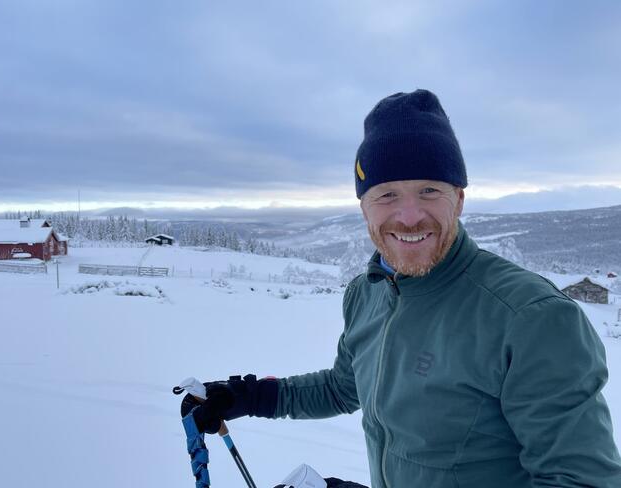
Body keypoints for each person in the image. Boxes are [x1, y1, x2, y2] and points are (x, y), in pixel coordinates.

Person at [185, 90, 621, 487]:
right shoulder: (367, 292)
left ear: (459, 199)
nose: (410, 217)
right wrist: (252, 396)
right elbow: (345, 386)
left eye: (429, 190)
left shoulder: (530, 317)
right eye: (387, 194)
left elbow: (581, 480)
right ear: (364, 207)